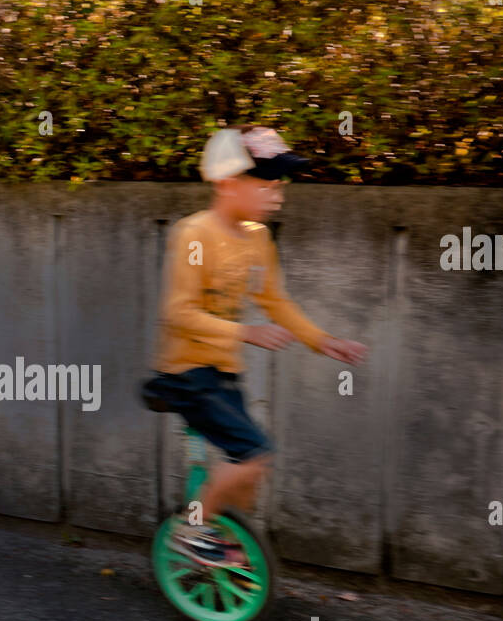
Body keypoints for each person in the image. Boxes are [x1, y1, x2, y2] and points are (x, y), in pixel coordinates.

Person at [145, 125, 368, 567]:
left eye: (280, 184)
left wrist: (324, 342)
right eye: (266, 183)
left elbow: (275, 300)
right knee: (254, 456)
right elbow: (178, 313)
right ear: (228, 183)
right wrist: (246, 332)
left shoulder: (257, 238)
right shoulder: (195, 234)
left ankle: (207, 531)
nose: (277, 194)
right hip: (185, 374)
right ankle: (190, 531)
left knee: (247, 480)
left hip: (224, 374)